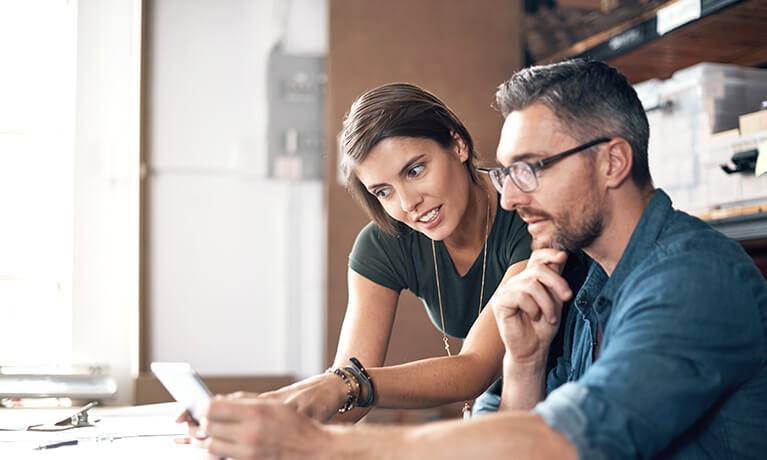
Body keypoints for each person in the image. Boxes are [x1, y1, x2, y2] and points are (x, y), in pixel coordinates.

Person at [191, 59, 767, 460]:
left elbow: (560, 441)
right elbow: (499, 433)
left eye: (530, 169)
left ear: (612, 162)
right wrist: (523, 364)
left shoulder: (692, 281)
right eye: (508, 171)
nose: (511, 196)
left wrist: (314, 446)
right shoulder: (578, 281)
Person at [180, 82, 568, 428]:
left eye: (415, 170)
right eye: (383, 191)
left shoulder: (525, 214)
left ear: (458, 144)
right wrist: (260, 414)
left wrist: (343, 384)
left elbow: (474, 369)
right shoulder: (384, 242)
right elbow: (349, 399)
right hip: (500, 397)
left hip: (568, 386)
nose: (407, 203)